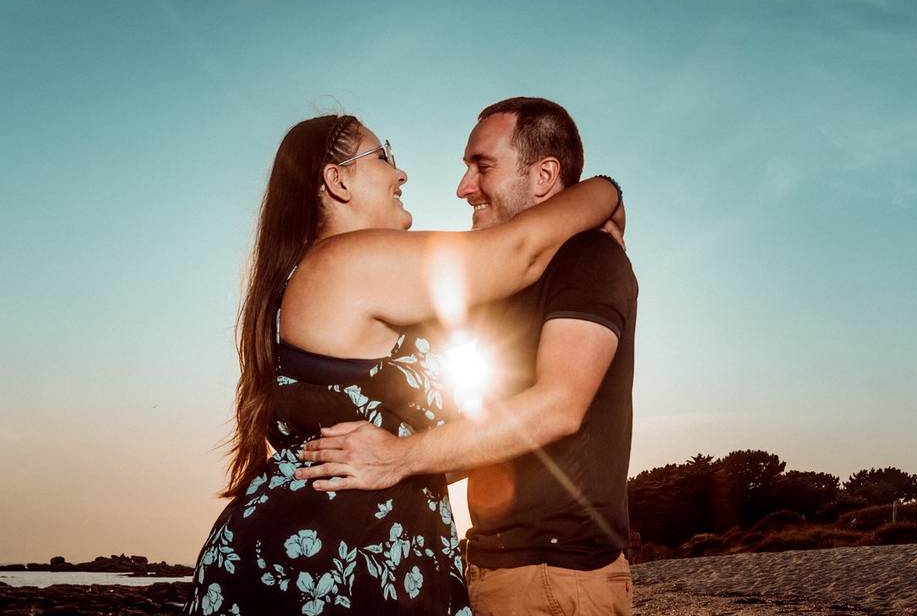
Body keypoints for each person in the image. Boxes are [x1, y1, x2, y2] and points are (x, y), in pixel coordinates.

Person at [182, 113, 623, 615]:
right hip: (320, 569)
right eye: (383, 155)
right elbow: (519, 250)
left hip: (360, 555)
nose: (401, 173)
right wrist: (607, 191)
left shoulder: (349, 276)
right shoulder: (346, 261)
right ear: (338, 179)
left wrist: (407, 455)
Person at [299, 98, 638, 615]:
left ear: (545, 175)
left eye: (481, 166)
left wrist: (399, 457)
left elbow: (560, 405)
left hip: (553, 575)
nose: (462, 187)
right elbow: (485, 430)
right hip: (492, 568)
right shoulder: (496, 281)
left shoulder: (587, 256)